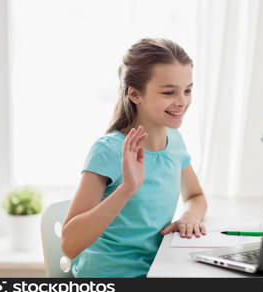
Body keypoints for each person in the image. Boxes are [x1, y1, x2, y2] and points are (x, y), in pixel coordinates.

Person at [61, 38, 208, 278]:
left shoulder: (175, 141)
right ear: (135, 94)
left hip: (159, 269)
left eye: (187, 90)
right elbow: (70, 244)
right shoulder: (109, 151)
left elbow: (195, 196)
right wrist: (128, 188)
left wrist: (189, 216)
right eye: (169, 92)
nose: (182, 101)